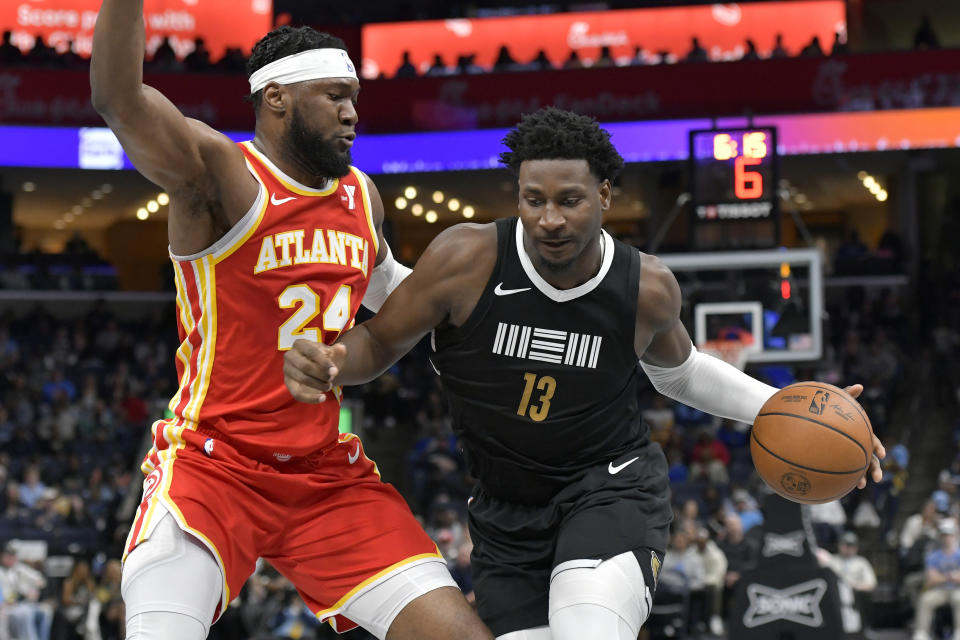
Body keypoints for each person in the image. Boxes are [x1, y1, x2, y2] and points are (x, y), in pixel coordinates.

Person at [283, 107, 885, 640]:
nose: (548, 218)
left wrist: (784, 407)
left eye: (568, 200)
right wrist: (335, 360)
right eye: (533, 200)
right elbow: (380, 340)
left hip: (609, 487)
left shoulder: (644, 286)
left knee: (587, 624)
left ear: (604, 194)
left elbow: (680, 374)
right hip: (505, 510)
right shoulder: (464, 260)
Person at [90, 5, 492, 640]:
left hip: (323, 474)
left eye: (354, 98)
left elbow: (398, 298)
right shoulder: (219, 176)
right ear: (276, 97)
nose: (352, 112)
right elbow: (119, 99)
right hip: (213, 467)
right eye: (336, 96)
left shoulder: (362, 195)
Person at [913, 518, 960, 640]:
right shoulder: (933, 556)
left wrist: (942, 577)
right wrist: (952, 576)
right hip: (939, 591)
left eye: (949, 534)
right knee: (925, 599)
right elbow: (931, 579)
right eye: (944, 535)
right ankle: (921, 633)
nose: (946, 538)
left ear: (954, 535)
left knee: (959, 598)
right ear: (940, 537)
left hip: (957, 590)